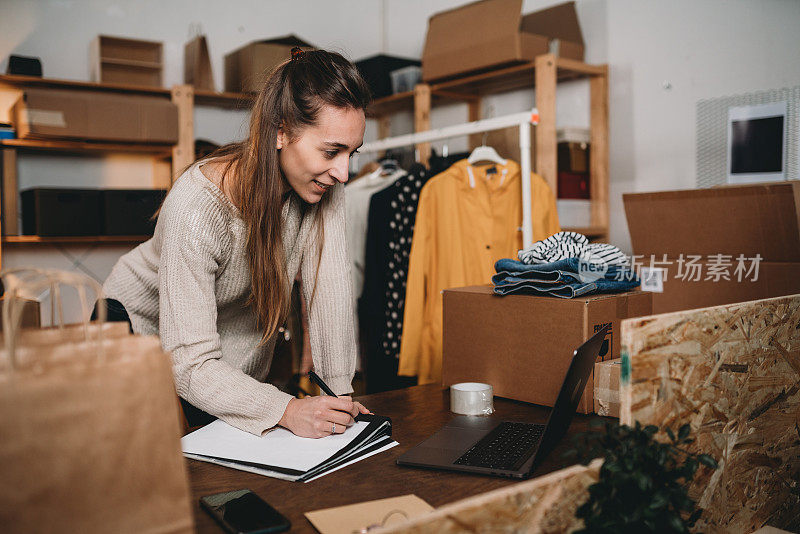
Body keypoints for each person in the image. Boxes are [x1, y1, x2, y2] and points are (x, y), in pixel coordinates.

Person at [100, 47, 371, 438]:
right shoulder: (197, 206)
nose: (344, 172)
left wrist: (338, 400)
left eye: (352, 153)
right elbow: (189, 364)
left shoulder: (323, 184)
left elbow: (329, 291)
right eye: (331, 151)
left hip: (219, 348)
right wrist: (288, 408)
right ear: (280, 131)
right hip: (142, 331)